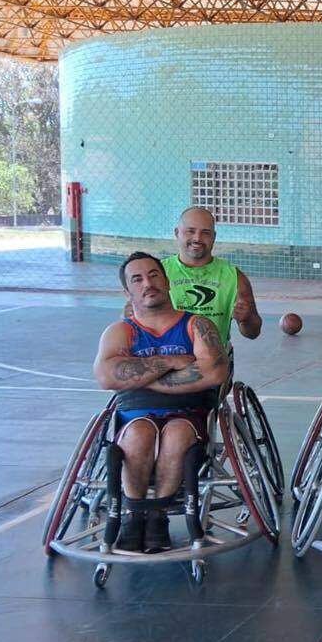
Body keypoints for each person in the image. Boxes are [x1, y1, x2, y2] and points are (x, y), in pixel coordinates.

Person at [93, 252, 229, 552]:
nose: (148, 283)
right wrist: (171, 362)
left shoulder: (197, 325)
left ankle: (157, 514)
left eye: (154, 275)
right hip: (135, 414)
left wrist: (139, 374)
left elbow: (214, 372)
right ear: (128, 291)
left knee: (177, 434)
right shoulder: (121, 331)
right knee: (140, 434)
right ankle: (134, 514)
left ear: (166, 282)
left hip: (189, 412)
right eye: (137, 279)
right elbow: (106, 376)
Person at [161, 206, 261, 349]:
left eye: (205, 233)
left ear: (214, 237)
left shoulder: (234, 277)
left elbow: (253, 333)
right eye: (190, 231)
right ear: (177, 233)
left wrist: (247, 319)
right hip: (169, 359)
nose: (197, 238)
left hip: (215, 363)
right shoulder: (157, 273)